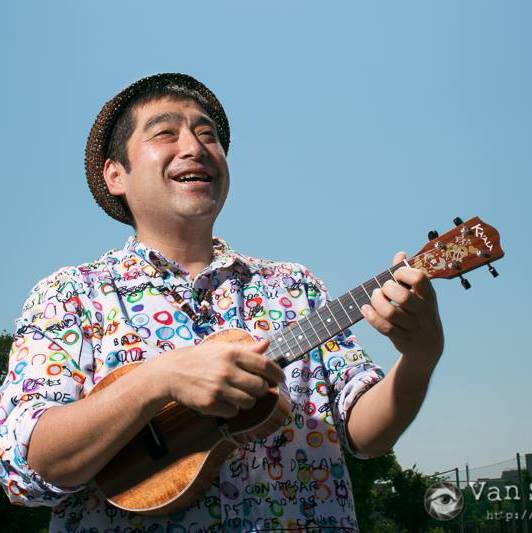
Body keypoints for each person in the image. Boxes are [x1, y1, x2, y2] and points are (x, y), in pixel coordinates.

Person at [0, 73, 444, 532]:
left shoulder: (296, 286)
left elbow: (365, 435)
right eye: (165, 132)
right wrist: (159, 380)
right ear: (116, 175)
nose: (194, 146)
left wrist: (420, 358)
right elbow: (26, 466)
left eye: (207, 134)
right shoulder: (70, 295)